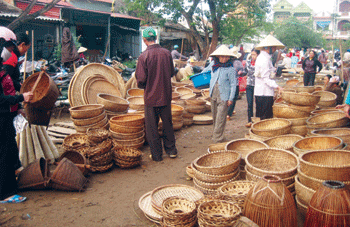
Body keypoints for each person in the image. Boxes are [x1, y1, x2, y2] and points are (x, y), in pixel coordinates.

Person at [0, 28, 33, 203]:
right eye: (8, 47)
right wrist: (20, 97)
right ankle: (6, 194)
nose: (10, 51)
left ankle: (11, 181)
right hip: (2, 115)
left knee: (9, 148)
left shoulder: (2, 66)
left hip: (6, 114)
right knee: (4, 153)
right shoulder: (6, 65)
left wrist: (16, 105)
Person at [135, 27, 177, 162]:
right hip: (165, 95)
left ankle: (157, 155)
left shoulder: (143, 56)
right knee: (167, 124)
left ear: (144, 40)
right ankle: (171, 151)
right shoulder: (166, 53)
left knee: (152, 127)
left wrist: (145, 86)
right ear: (156, 38)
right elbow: (171, 72)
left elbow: (141, 79)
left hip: (151, 98)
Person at [202, 45, 236, 142]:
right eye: (222, 56)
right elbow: (205, 71)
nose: (224, 58)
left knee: (221, 118)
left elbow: (233, 84)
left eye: (226, 57)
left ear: (229, 57)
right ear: (218, 56)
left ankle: (217, 138)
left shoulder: (231, 69)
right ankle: (217, 134)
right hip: (213, 94)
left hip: (224, 96)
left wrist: (230, 98)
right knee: (215, 116)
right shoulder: (213, 64)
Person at [254, 35, 284, 120]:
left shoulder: (266, 58)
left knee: (263, 117)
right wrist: (277, 86)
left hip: (264, 92)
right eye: (274, 48)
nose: (275, 50)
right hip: (264, 93)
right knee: (265, 118)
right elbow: (265, 78)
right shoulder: (264, 59)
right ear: (269, 48)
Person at [243, 48, 260, 127]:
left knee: (258, 103)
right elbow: (246, 71)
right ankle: (249, 120)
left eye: (254, 54)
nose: (253, 56)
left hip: (258, 85)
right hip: (249, 84)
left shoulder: (260, 63)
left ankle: (257, 121)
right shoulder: (248, 62)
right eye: (252, 54)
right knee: (250, 103)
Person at [227, 46, 244, 120]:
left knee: (227, 97)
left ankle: (226, 112)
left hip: (227, 83)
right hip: (235, 83)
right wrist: (240, 72)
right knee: (233, 98)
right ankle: (228, 114)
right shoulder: (238, 62)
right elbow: (243, 72)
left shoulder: (226, 62)